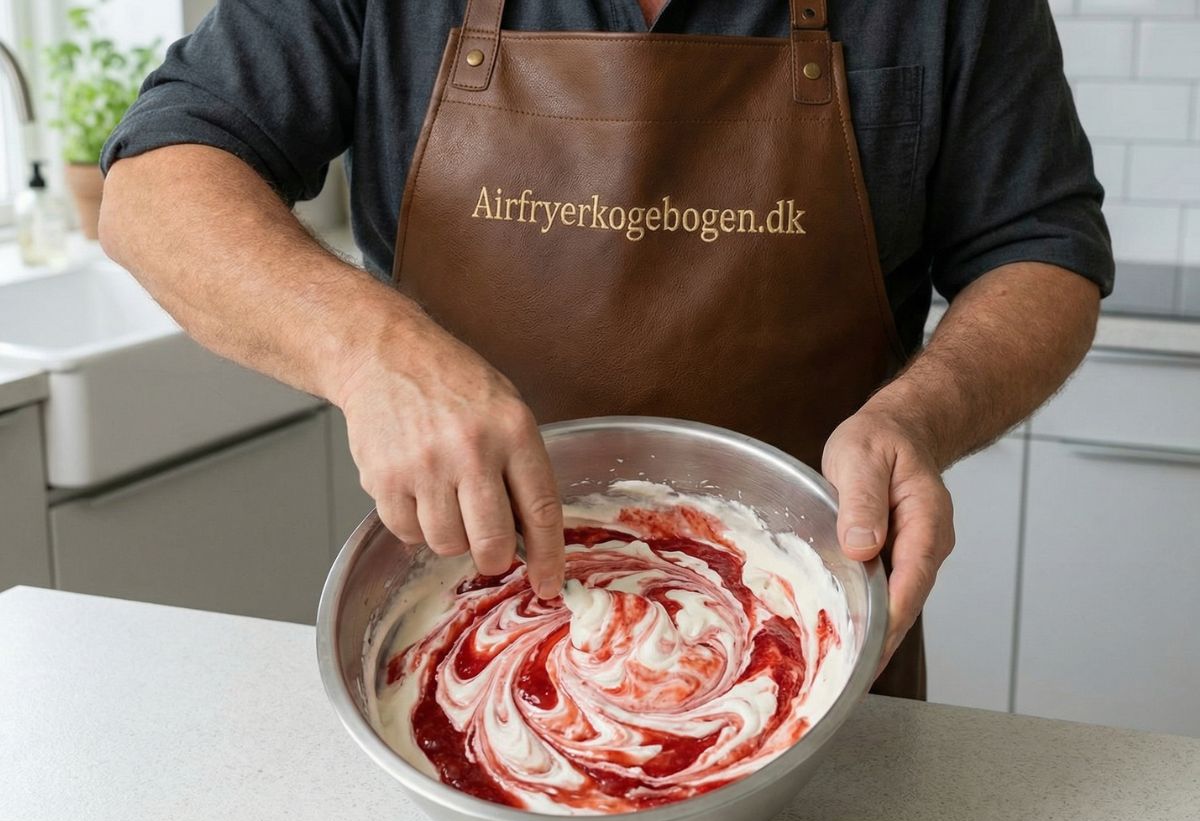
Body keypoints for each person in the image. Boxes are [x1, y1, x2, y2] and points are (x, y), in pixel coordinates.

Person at [99, 0, 1114, 700]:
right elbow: (156, 188)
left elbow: (1042, 251)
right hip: (463, 634)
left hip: (817, 648)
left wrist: (918, 416)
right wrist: (371, 348)